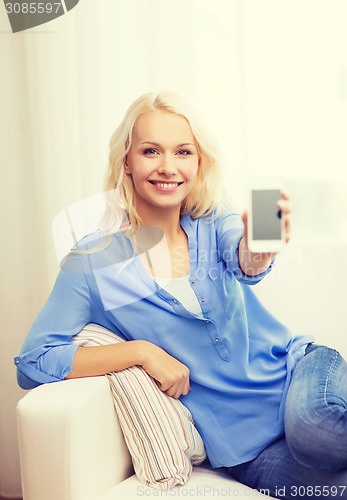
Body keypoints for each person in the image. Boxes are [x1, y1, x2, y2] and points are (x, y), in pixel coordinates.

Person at [15, 91, 347, 498]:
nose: (168, 167)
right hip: (248, 451)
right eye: (151, 151)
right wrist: (140, 351)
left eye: (183, 152)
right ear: (127, 162)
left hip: (302, 376)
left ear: (198, 163)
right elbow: (32, 362)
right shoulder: (91, 262)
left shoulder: (213, 219)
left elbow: (244, 257)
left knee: (315, 433)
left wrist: (258, 254)